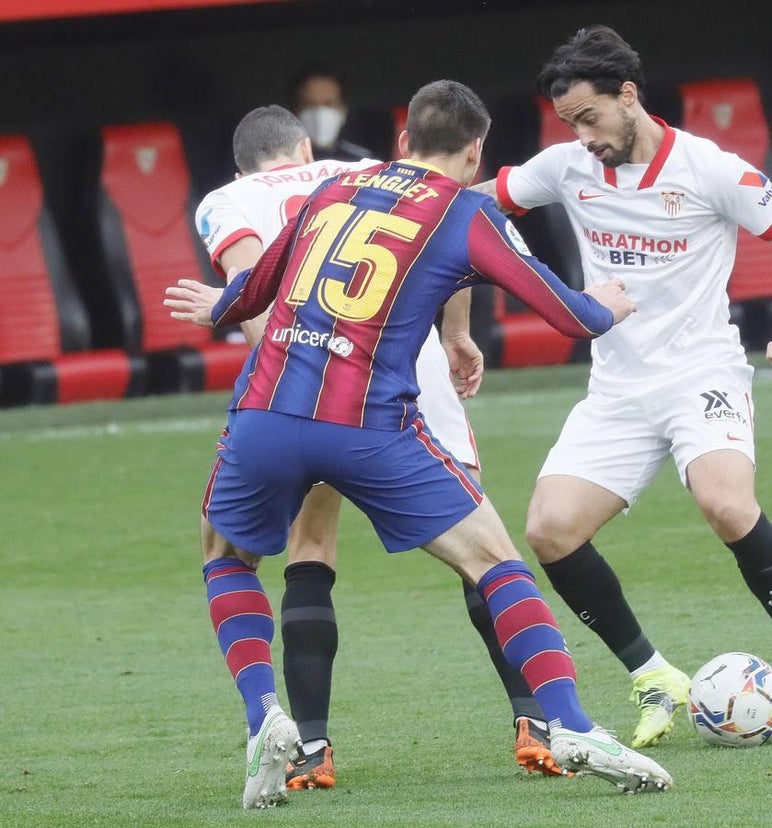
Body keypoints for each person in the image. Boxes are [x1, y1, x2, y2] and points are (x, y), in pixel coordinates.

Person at [166, 79, 671, 808]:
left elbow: (250, 293)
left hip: (267, 414)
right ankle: (568, 724)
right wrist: (609, 306)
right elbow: (570, 317)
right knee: (495, 561)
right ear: (476, 152)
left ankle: (265, 718)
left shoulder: (338, 187)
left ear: (402, 141)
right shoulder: (465, 212)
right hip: (367, 427)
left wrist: (220, 309)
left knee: (225, 558)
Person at [473, 25, 772, 748]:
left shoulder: (708, 169)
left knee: (725, 503)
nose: (582, 137)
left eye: (590, 117)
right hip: (616, 389)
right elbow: (477, 203)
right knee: (549, 529)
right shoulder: (567, 165)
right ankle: (652, 676)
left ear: (629, 96)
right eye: (569, 124)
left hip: (701, 372)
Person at [194, 104, 564, 790]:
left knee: (307, 551)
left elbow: (258, 293)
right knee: (485, 554)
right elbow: (453, 245)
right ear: (305, 145)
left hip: (309, 384)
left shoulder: (226, 201)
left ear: (243, 163)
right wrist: (456, 335)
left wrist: (281, 385)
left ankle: (312, 747)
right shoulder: (368, 170)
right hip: (406, 366)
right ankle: (539, 721)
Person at [290, 64, 376, 162]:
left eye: (328, 104)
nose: (319, 113)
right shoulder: (280, 163)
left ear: (343, 109)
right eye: (309, 104)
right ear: (294, 111)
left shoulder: (365, 163)